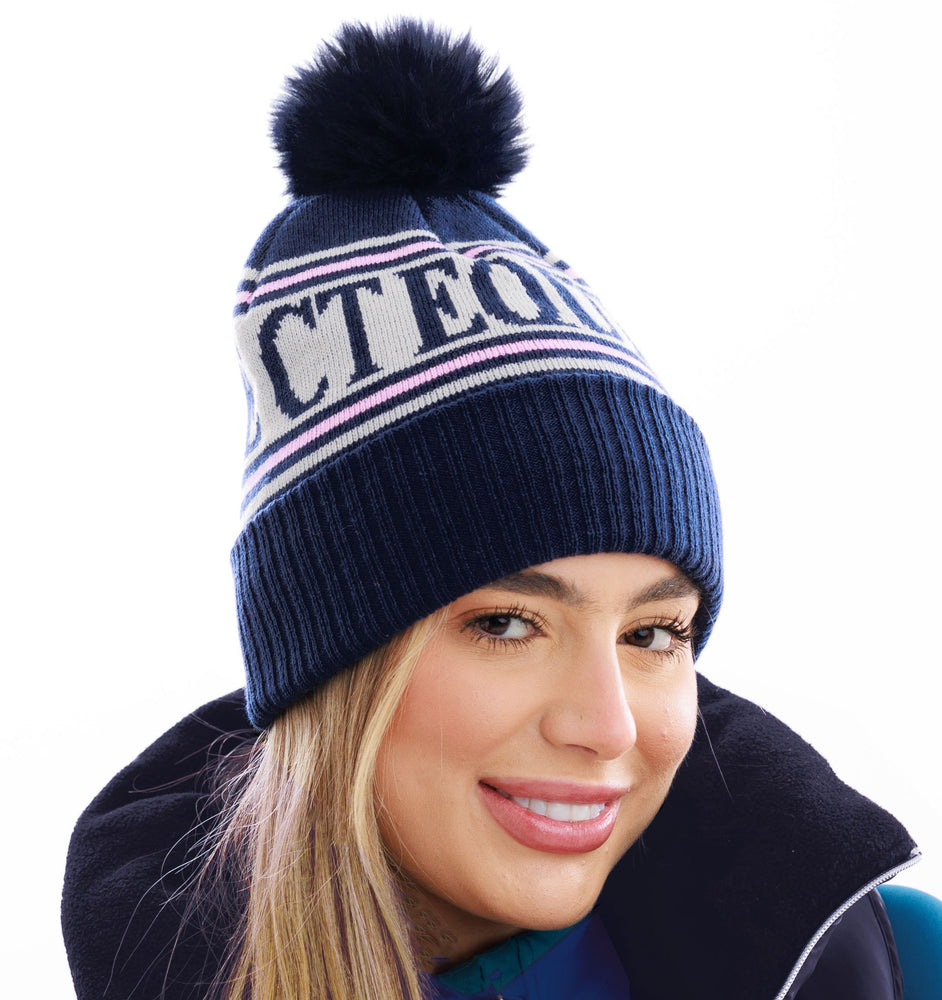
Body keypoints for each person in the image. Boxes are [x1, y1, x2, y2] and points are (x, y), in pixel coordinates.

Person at [61, 20, 918, 1000]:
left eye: (654, 633)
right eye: (508, 623)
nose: (607, 725)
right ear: (333, 665)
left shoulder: (900, 969)